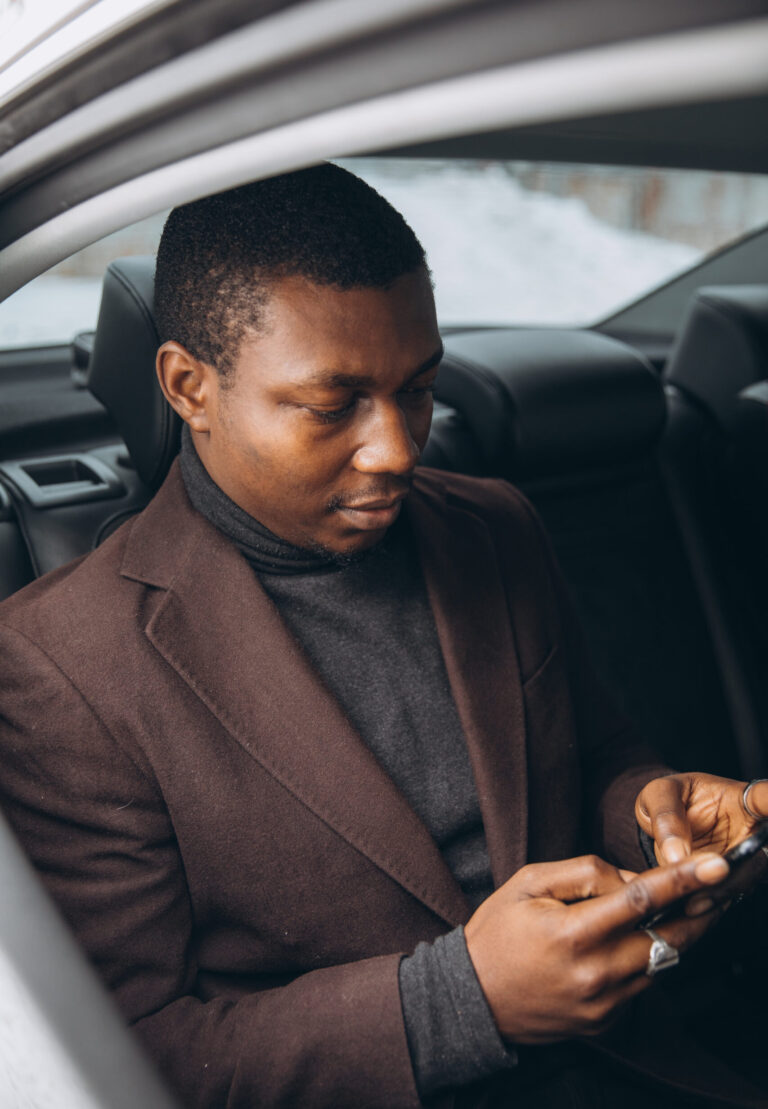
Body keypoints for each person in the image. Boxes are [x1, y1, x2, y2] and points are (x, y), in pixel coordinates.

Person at [0, 163, 766, 1109]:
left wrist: (656, 810)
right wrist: (461, 1004)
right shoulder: (57, 667)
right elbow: (130, 1053)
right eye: (333, 406)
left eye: (419, 388)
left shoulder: (494, 527)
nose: (399, 448)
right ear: (189, 386)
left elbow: (596, 753)